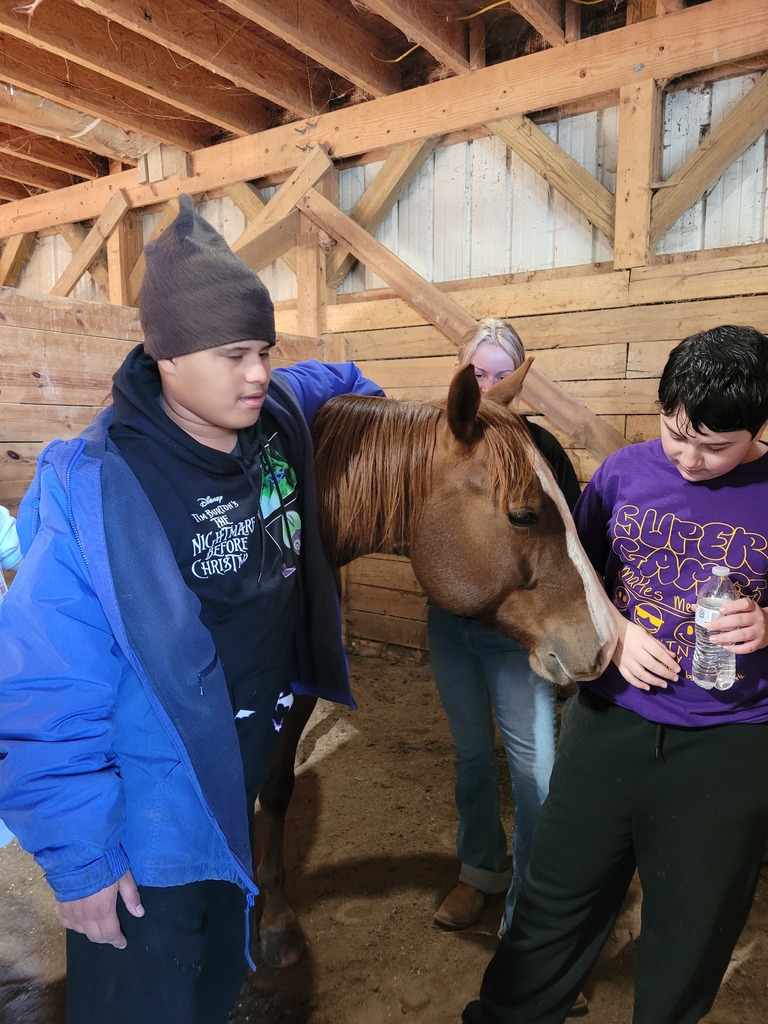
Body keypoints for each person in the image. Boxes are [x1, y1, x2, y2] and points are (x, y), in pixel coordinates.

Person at [0, 194, 383, 1024]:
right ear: (167, 356)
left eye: (264, 351)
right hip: (151, 819)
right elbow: (43, 687)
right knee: (147, 995)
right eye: (234, 354)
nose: (258, 373)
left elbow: (343, 382)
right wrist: (82, 862)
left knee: (213, 981)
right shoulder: (97, 488)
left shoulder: (275, 415)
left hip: (235, 782)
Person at [462, 324, 768, 1024]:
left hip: (728, 743)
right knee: (554, 900)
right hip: (608, 720)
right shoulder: (625, 473)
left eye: (715, 445)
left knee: (692, 926)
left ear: (756, 428)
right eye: (676, 430)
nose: (689, 457)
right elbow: (576, 577)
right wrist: (619, 633)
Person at [430, 318, 581, 936]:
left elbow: (566, 546)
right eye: (477, 373)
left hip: (515, 634)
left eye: (498, 374)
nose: (486, 385)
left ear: (515, 381)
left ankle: (532, 903)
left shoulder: (539, 451)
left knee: (533, 768)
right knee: (471, 756)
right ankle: (480, 871)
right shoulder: (444, 446)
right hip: (453, 627)